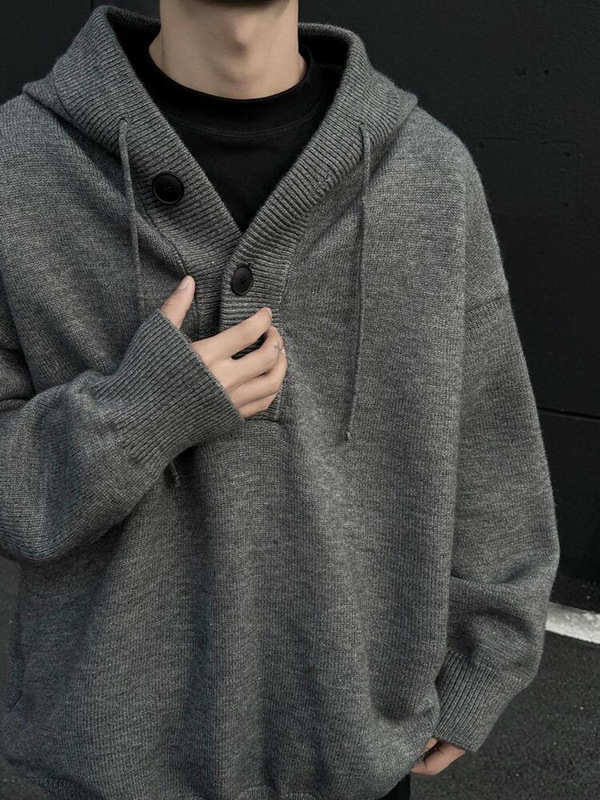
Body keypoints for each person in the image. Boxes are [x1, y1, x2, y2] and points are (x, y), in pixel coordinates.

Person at [0, 1, 560, 799]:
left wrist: (485, 660)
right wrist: (142, 411)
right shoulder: (18, 166)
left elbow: (492, 445)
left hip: (352, 760)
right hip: (104, 761)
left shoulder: (429, 173)